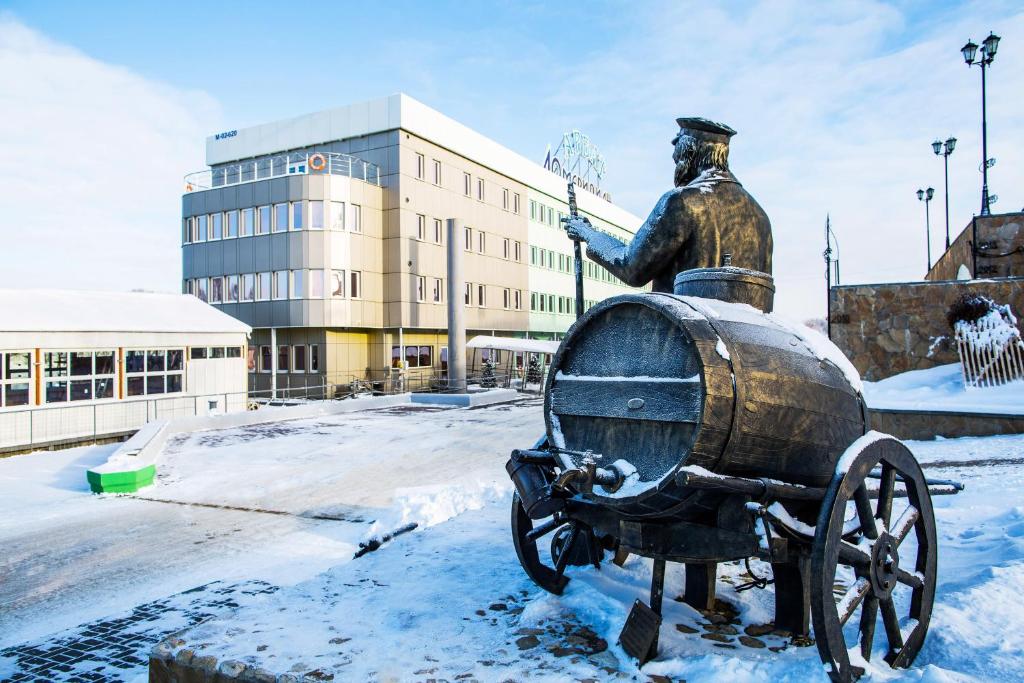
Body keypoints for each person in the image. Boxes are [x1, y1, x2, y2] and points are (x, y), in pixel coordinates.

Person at [563, 118, 773, 293]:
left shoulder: (682, 202)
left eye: (678, 157)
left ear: (689, 154)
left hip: (682, 336)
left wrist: (589, 234)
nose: (675, 160)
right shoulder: (760, 217)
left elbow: (631, 268)